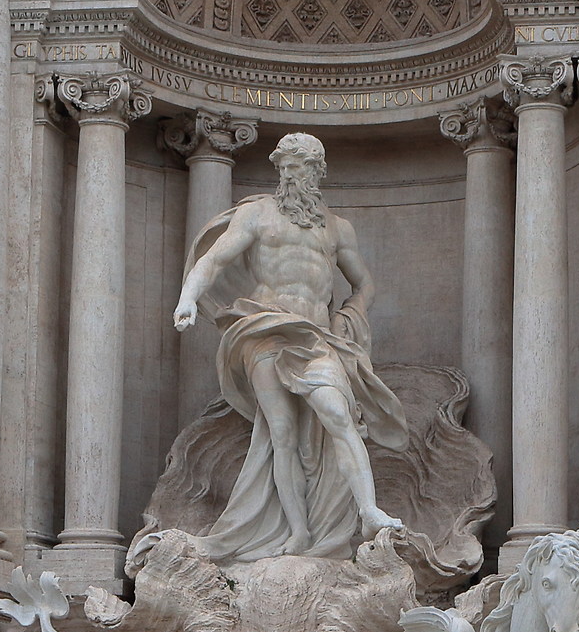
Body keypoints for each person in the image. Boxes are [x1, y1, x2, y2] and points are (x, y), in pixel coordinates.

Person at [174, 131, 409, 562]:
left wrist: (348, 314)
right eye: (283, 166)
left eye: (298, 167)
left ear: (317, 171)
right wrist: (188, 297)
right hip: (264, 329)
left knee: (338, 414)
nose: (289, 174)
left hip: (316, 336)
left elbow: (365, 284)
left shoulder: (338, 228)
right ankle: (299, 531)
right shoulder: (257, 214)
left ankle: (369, 511)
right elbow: (215, 259)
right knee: (281, 433)